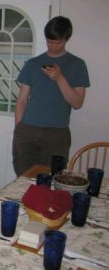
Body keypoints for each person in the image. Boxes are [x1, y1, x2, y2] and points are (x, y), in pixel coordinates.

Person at [12, 16, 90, 177]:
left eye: (58, 42)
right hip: (27, 130)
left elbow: (77, 103)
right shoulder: (33, 63)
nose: (53, 46)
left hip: (57, 134)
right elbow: (21, 100)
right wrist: (19, 129)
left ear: (66, 39)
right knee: (22, 179)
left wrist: (59, 78)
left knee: (52, 179)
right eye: (49, 42)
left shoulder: (77, 64)